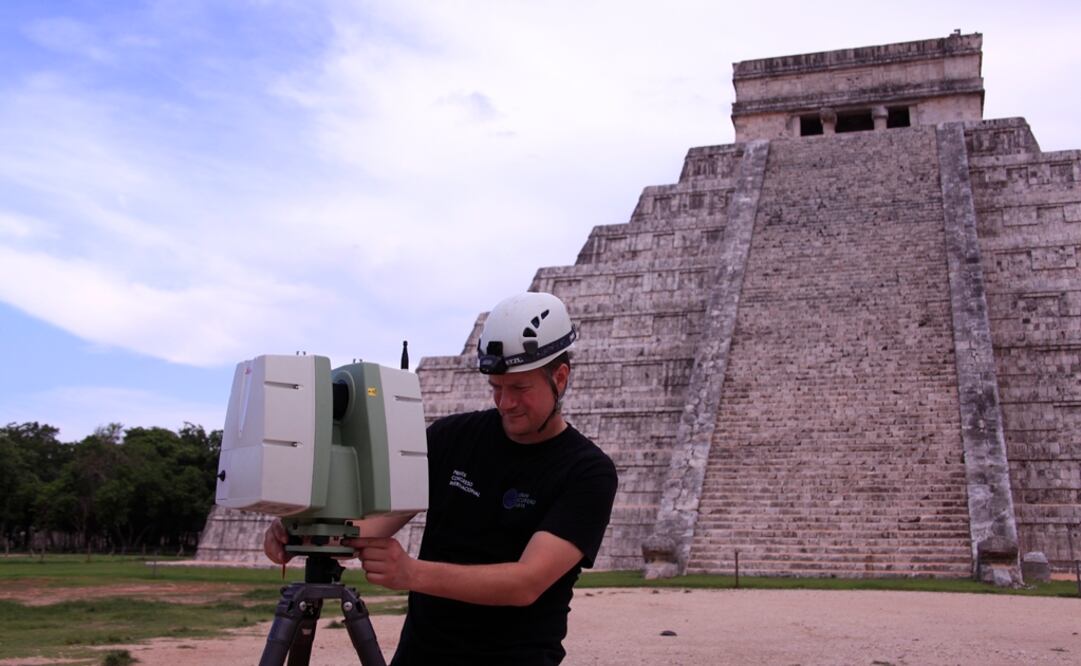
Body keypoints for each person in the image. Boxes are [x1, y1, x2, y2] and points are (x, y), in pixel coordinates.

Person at [264, 291, 618, 665]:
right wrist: (309, 531)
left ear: (559, 378)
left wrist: (410, 573)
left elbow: (526, 582)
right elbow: (379, 521)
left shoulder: (587, 472)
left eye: (519, 388)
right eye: (496, 387)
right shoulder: (452, 438)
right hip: (421, 655)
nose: (505, 403)